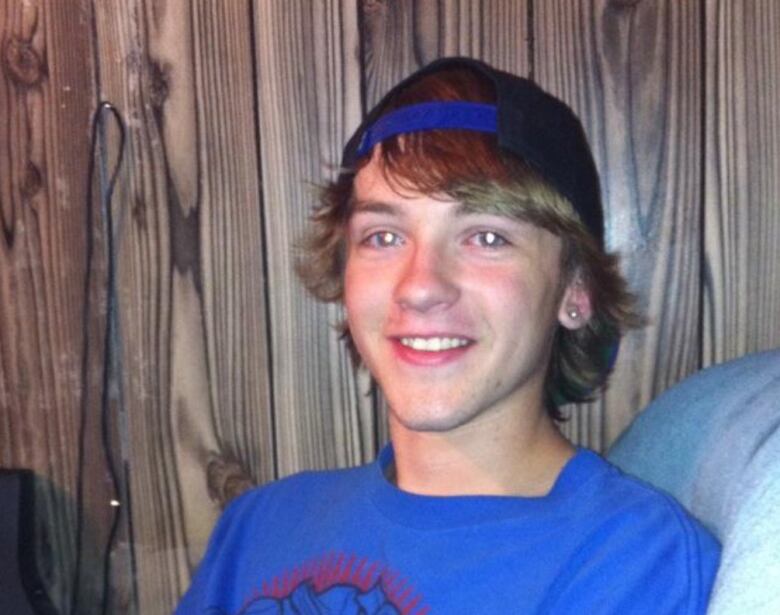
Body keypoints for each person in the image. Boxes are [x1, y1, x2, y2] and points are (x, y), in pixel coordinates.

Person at [176, 57, 720, 614]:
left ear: (574, 291)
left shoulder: (635, 562)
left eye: (486, 237)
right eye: (383, 236)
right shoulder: (259, 526)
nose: (419, 287)